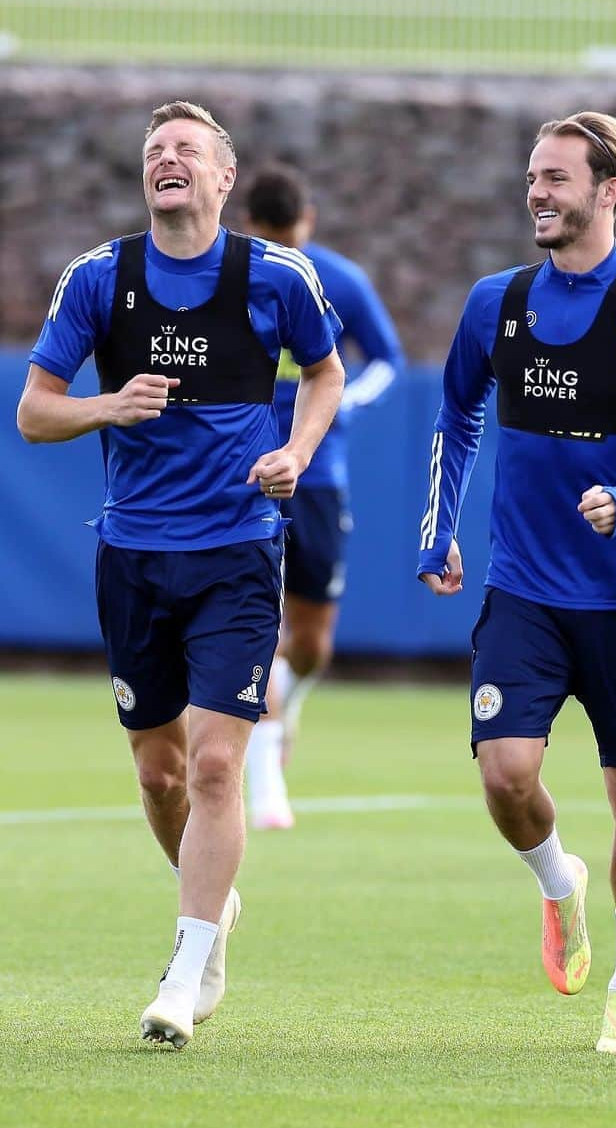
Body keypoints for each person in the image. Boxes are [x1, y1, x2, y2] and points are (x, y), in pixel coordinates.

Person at [16, 101, 345, 1048]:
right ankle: (215, 911)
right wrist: (108, 406)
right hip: (133, 554)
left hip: (240, 549)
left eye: (186, 150)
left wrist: (297, 450)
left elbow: (324, 376)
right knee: (160, 773)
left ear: (223, 178)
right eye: (155, 150)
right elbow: (36, 412)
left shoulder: (275, 276)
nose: (168, 160)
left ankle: (188, 961)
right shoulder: (98, 278)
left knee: (213, 761)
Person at [417, 112, 616, 1054]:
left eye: (556, 178)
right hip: (523, 590)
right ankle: (558, 881)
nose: (537, 193)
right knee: (507, 777)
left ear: (609, 191)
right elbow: (456, 415)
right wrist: (438, 529)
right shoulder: (496, 303)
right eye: (533, 176)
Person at [241, 162, 405, 830]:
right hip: (246, 469)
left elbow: (387, 359)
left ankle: (289, 698)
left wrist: (346, 405)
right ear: (252, 228)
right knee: (254, 625)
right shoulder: (231, 276)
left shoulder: (338, 280)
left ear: (307, 221)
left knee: (309, 641)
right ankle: (265, 783)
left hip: (319, 470)